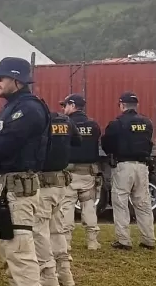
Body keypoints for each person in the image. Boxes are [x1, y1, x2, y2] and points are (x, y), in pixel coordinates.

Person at [0, 57, 49, 286]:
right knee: (11, 252)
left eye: (0, 77)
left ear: (16, 80)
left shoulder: (28, 108)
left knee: (20, 254)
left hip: (17, 190)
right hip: (9, 189)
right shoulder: (14, 107)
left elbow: (6, 143)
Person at [101, 92, 156, 250]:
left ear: (121, 105)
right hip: (142, 166)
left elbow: (107, 144)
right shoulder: (147, 122)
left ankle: (124, 240)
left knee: (120, 202)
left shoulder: (117, 123)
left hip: (123, 165)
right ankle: (148, 239)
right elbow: (149, 143)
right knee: (143, 203)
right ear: (136, 105)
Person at [33, 111, 79, 286]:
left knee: (39, 231)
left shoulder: (39, 120)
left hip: (43, 183)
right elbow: (77, 141)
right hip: (60, 182)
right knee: (57, 230)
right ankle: (65, 274)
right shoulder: (65, 121)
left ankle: (48, 277)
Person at [59, 94, 102, 251]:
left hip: (69, 173)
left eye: (65, 106)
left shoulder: (66, 124)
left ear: (72, 105)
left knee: (67, 206)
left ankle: (66, 242)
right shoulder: (94, 125)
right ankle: (92, 241)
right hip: (88, 173)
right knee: (89, 206)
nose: (63, 109)